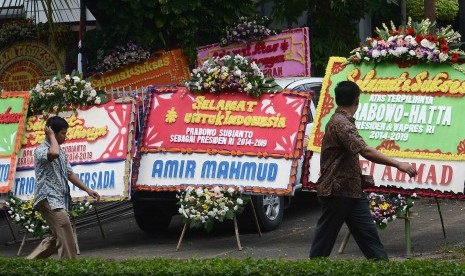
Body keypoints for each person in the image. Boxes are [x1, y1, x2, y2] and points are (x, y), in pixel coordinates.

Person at [309, 81, 417, 261]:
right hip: (336, 191)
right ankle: (312, 270)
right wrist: (399, 164)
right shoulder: (340, 124)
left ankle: (382, 268)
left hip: (352, 191)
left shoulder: (342, 121)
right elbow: (365, 150)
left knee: (369, 237)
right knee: (323, 242)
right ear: (357, 100)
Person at [27, 116, 100, 260]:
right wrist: (52, 136)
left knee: (58, 236)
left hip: (58, 198)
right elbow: (53, 153)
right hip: (47, 197)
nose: (65, 137)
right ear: (52, 133)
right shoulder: (41, 150)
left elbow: (69, 174)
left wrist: (87, 189)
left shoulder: (62, 153)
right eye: (62, 133)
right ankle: (69, 267)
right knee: (64, 224)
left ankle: (29, 263)